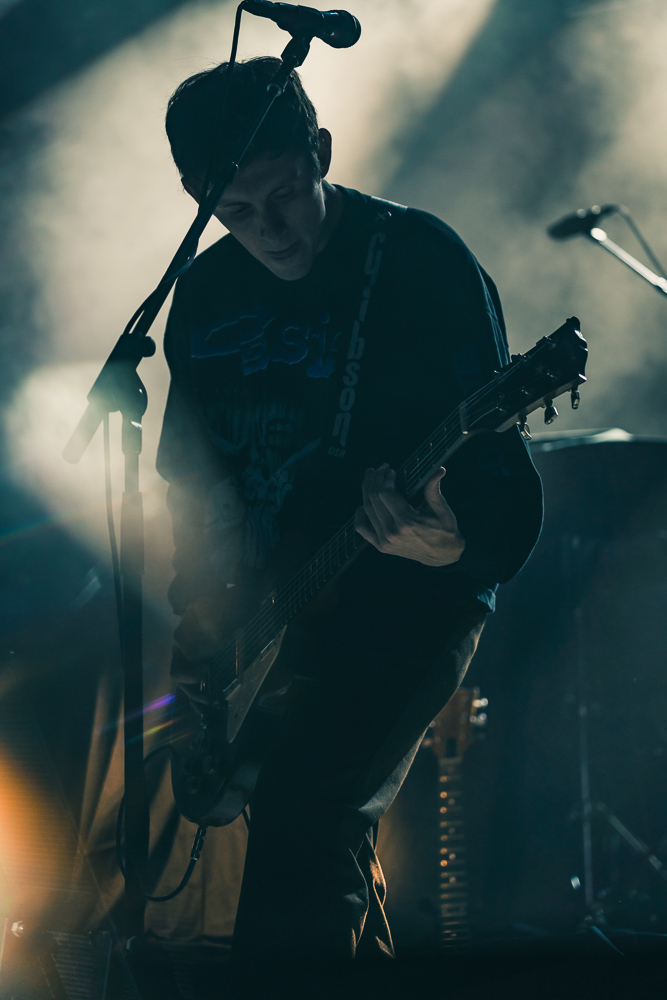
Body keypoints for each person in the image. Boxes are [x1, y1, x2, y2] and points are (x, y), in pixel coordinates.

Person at [156, 56, 543, 994]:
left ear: (321, 151)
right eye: (236, 213)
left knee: (308, 810)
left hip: (409, 590)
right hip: (268, 608)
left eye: (283, 196)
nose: (269, 232)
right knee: (305, 840)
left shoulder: (415, 261)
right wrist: (199, 638)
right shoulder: (203, 300)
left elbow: (498, 482)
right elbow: (192, 488)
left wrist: (449, 540)